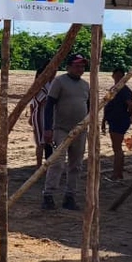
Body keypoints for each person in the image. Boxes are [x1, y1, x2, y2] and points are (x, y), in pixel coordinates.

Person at [42, 53, 90, 211]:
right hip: (61, 129)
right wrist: (48, 128)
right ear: (69, 67)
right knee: (58, 162)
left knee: (76, 165)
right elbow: (49, 106)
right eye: (77, 66)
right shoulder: (59, 81)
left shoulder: (85, 85)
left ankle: (70, 196)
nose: (80, 69)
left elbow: (88, 106)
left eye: (82, 66)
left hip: (80, 130)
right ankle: (48, 195)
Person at [102, 66, 132, 181]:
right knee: (117, 147)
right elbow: (107, 106)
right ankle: (118, 173)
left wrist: (128, 114)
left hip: (119, 120)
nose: (118, 77)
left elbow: (130, 104)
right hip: (113, 120)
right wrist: (103, 121)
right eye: (116, 75)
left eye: (120, 76)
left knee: (117, 148)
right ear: (113, 76)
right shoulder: (113, 89)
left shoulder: (124, 90)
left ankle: (116, 174)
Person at [28, 64, 54, 172]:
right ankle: (38, 166)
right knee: (41, 142)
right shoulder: (39, 86)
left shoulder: (49, 84)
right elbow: (42, 101)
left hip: (48, 116)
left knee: (49, 142)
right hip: (40, 115)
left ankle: (47, 165)